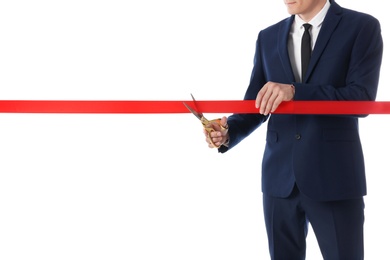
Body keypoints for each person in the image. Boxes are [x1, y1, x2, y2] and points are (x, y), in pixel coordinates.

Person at [203, 0, 383, 259]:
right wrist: (227, 132)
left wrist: (296, 92)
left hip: (335, 177)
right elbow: (255, 106)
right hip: (279, 180)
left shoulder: (361, 26)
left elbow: (362, 99)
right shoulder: (268, 37)